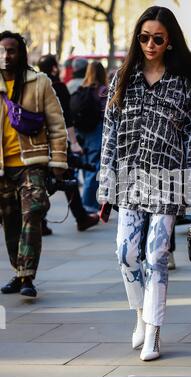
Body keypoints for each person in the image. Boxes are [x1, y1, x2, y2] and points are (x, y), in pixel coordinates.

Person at [98, 6, 191, 361]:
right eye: (143, 37)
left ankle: (154, 334)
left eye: (157, 38)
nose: (149, 44)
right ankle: (142, 316)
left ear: (170, 41)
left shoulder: (186, 82)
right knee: (125, 253)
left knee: (157, 255)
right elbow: (109, 133)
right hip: (129, 178)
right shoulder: (122, 77)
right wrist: (105, 185)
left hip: (169, 179)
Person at [0, 31, 68, 297]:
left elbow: (56, 124)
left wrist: (59, 160)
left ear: (21, 53)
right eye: (2, 50)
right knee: (10, 221)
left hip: (32, 163)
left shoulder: (39, 83)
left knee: (33, 213)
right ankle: (19, 273)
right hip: (3, 169)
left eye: (11, 50)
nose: (6, 56)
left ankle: (27, 276)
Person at [37, 54, 99, 232]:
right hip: (56, 141)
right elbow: (65, 117)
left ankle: (41, 222)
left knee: (41, 181)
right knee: (67, 177)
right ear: (55, 68)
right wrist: (73, 142)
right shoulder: (57, 86)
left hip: (37, 142)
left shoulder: (33, 85)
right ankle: (81, 217)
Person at [73, 61, 108, 213]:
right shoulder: (103, 90)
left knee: (86, 166)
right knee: (94, 167)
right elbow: (106, 113)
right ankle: (88, 205)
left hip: (80, 131)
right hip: (96, 131)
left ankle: (86, 203)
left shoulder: (81, 89)